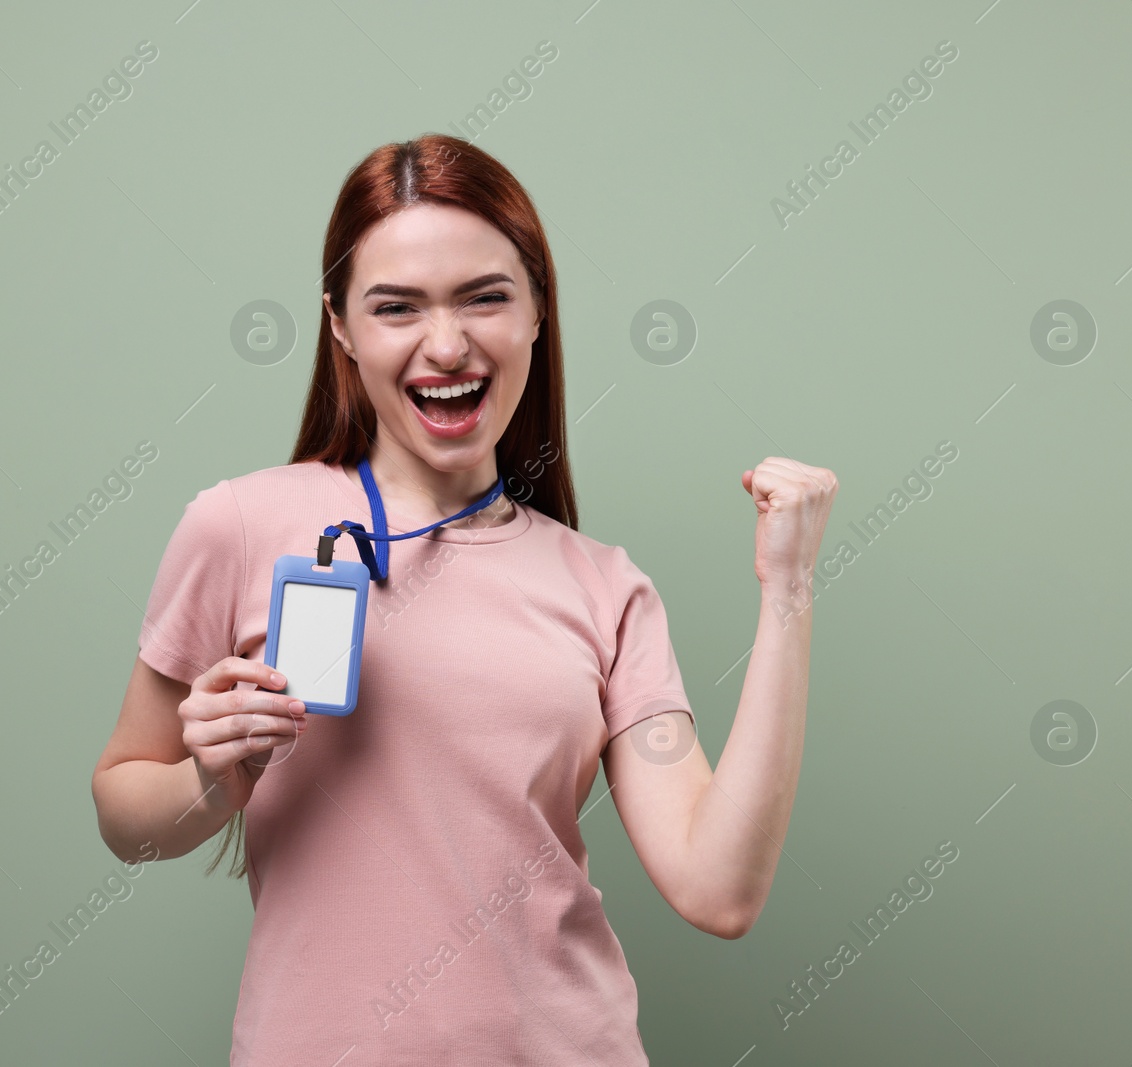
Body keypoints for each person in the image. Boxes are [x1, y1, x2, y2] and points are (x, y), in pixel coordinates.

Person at [91, 134, 838, 1065]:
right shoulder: (238, 526)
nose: (446, 345)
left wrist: (789, 588)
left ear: (536, 313)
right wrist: (215, 776)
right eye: (395, 307)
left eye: (485, 296)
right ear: (339, 326)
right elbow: (125, 810)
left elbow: (719, 887)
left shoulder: (603, 587)